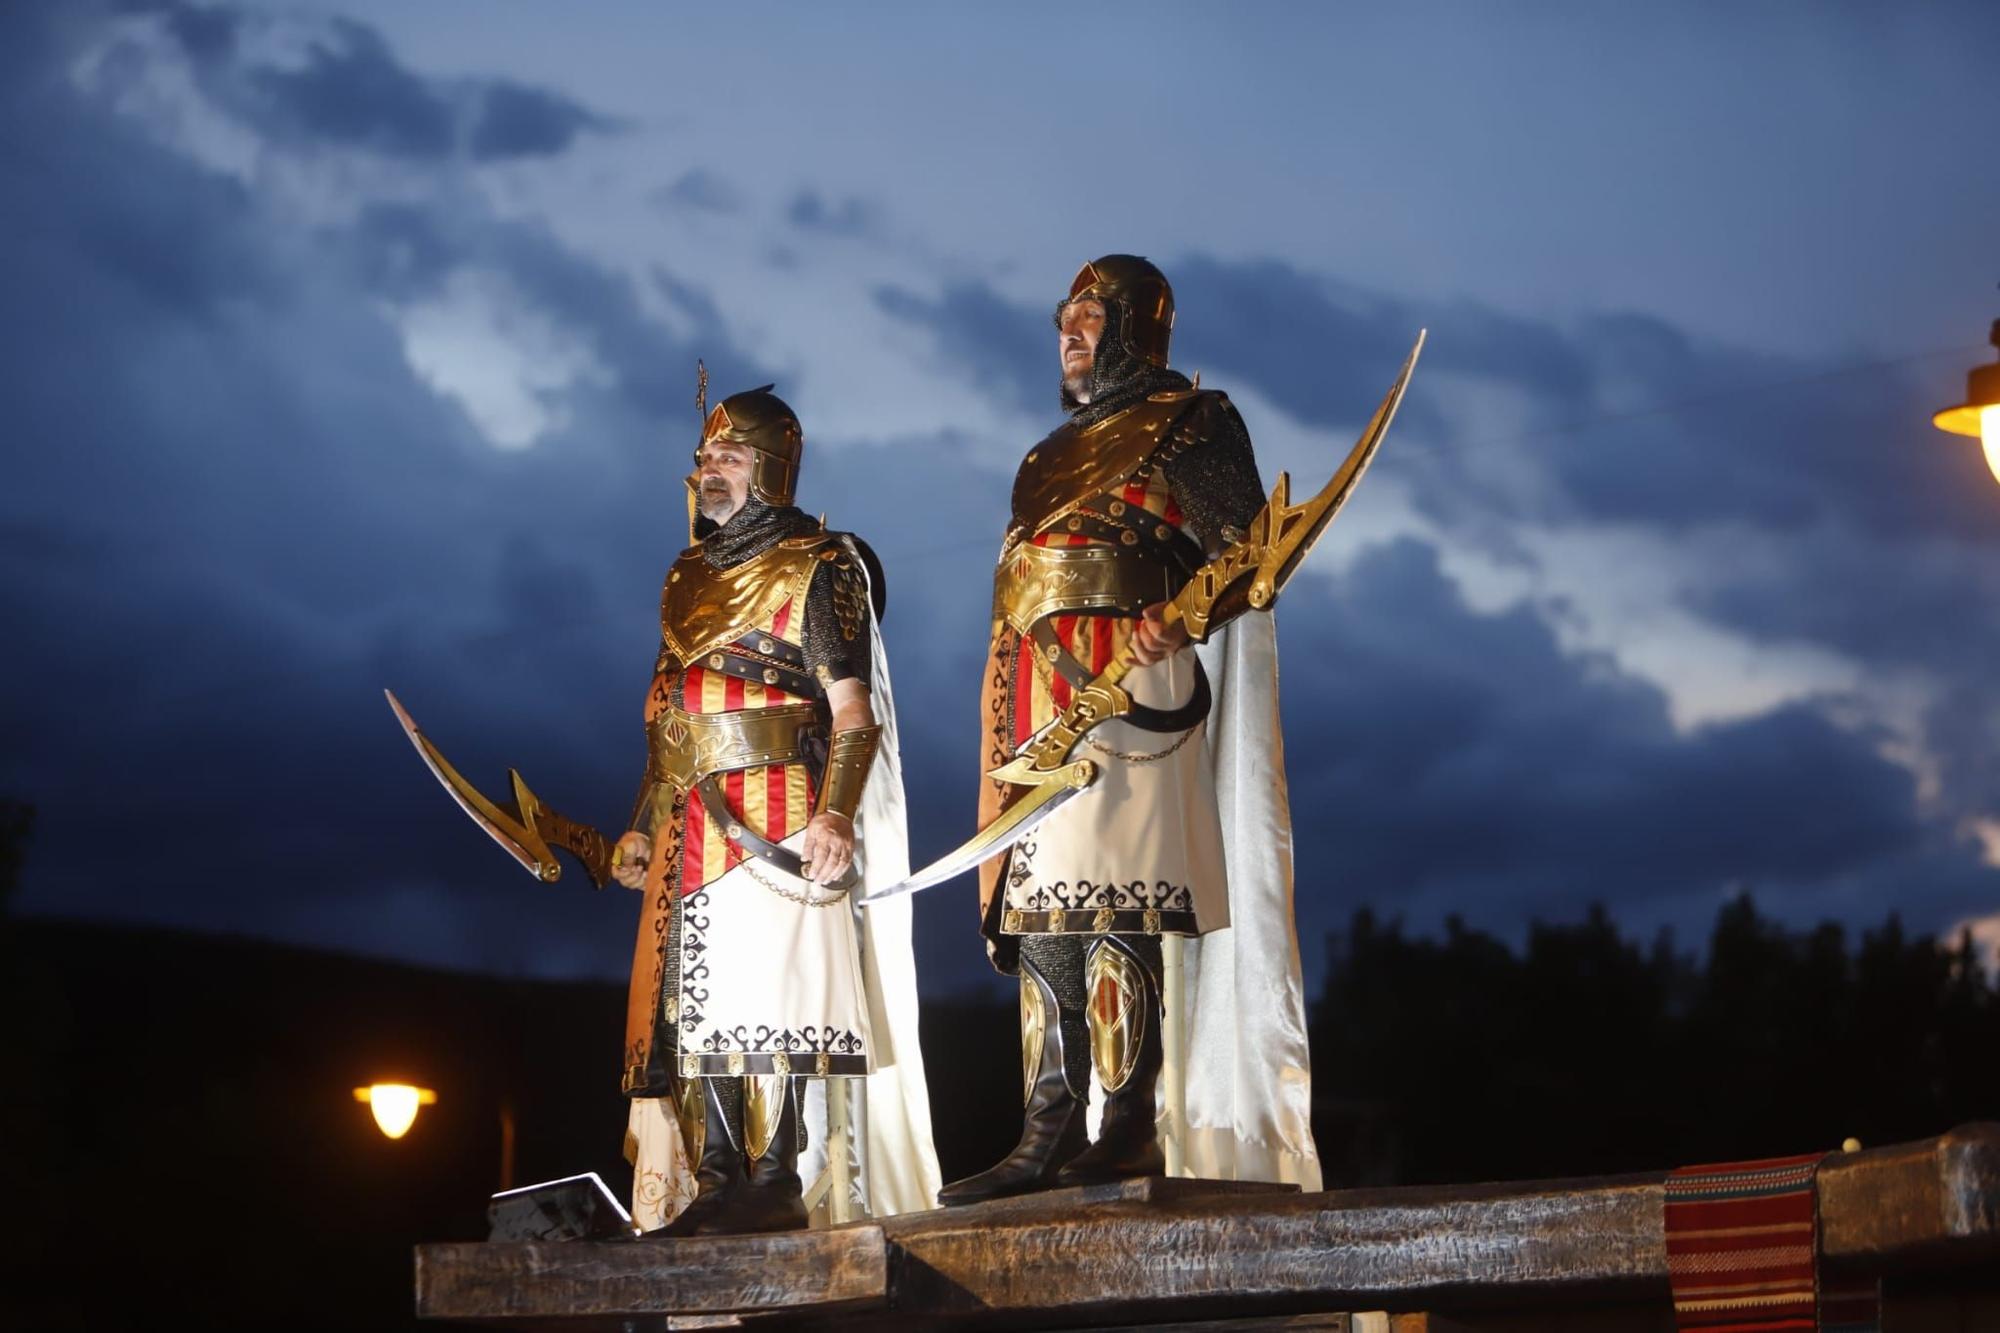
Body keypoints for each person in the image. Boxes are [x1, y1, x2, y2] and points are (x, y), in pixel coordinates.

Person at [939, 256, 1321, 1205]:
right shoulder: (1041, 457)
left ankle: (1127, 1125)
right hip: (1040, 705)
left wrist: (1185, 615)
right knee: (1041, 920)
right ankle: (1045, 1131)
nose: (1068, 334)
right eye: (1062, 318)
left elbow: (1255, 554)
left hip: (1134, 691)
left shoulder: (1193, 421)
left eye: (1086, 317)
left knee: (1116, 904)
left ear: (1132, 326)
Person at [612, 383, 938, 1234]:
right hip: (690, 812)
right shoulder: (684, 575)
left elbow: (852, 711)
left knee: (773, 995)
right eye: (702, 459)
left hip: (779, 805)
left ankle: (775, 1177)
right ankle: (721, 1180)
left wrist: (835, 815)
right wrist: (644, 824)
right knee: (703, 999)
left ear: (770, 468)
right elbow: (668, 713)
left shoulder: (819, 561)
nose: (704, 471)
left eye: (724, 457)